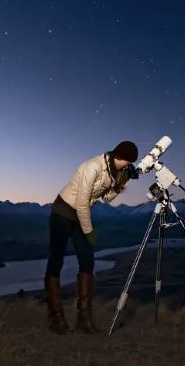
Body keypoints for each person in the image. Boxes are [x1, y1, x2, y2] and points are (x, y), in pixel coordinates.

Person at [44, 141, 138, 334]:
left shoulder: (113, 170)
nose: (128, 166)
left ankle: (84, 320)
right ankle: (56, 319)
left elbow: (107, 197)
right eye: (128, 163)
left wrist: (125, 178)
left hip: (80, 214)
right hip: (63, 212)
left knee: (87, 261)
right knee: (56, 260)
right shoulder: (93, 166)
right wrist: (88, 231)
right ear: (119, 157)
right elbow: (81, 202)